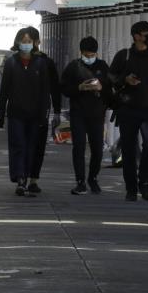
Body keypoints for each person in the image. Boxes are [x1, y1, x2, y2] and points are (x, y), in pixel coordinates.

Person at [109, 21, 148, 201]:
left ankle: (144, 183)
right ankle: (130, 188)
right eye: (146, 34)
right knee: (128, 149)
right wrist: (125, 80)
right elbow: (111, 78)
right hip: (127, 109)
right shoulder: (124, 56)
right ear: (136, 36)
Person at [0, 27, 60, 196]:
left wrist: (50, 112)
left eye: (29, 41)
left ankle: (31, 177)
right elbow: (4, 90)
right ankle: (20, 179)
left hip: (36, 114)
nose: (26, 45)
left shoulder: (42, 63)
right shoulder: (11, 62)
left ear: (35, 43)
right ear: (18, 42)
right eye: (23, 41)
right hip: (16, 113)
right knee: (18, 145)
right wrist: (1, 114)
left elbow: (48, 90)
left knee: (33, 147)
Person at [60, 36, 111, 195]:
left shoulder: (103, 66)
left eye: (92, 55)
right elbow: (64, 88)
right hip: (78, 113)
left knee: (97, 149)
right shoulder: (73, 67)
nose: (90, 58)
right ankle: (80, 181)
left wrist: (101, 87)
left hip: (97, 114)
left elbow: (111, 88)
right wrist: (79, 88)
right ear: (81, 52)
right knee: (79, 147)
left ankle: (93, 178)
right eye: (87, 55)